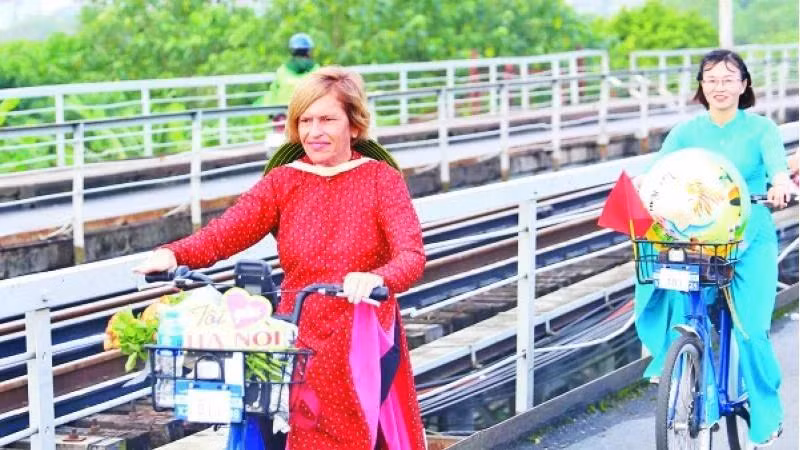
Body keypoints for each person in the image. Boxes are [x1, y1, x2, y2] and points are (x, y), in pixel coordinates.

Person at [136, 67, 427, 450]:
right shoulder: (284, 181)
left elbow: (412, 254)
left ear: (354, 126)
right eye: (305, 120)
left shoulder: (380, 179)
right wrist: (173, 254)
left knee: (352, 434)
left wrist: (378, 279)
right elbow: (229, 230)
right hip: (293, 332)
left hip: (360, 331)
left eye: (327, 119)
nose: (314, 131)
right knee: (275, 428)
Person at [634, 49, 795, 446]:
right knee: (664, 284)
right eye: (711, 79)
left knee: (752, 331)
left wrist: (781, 185)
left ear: (743, 85)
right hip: (698, 239)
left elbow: (777, 167)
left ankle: (766, 412)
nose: (719, 87)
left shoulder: (760, 130)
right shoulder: (685, 133)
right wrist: (642, 184)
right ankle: (685, 378)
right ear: (701, 87)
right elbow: (660, 173)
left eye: (727, 79)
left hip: (748, 238)